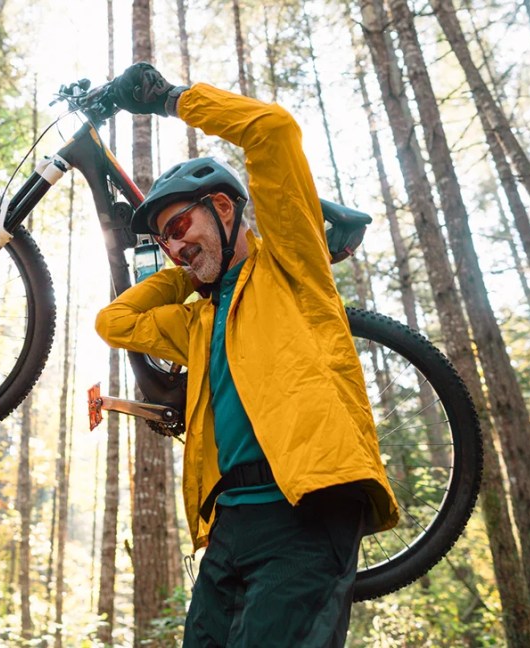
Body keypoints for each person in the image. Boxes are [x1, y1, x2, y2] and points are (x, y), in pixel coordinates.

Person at [95, 62, 399, 647]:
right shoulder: (196, 317)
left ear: (225, 209)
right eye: (163, 238)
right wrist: (187, 265)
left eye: (182, 223)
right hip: (227, 527)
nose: (175, 245)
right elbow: (116, 321)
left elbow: (272, 130)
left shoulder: (290, 267)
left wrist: (170, 101)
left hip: (306, 506)